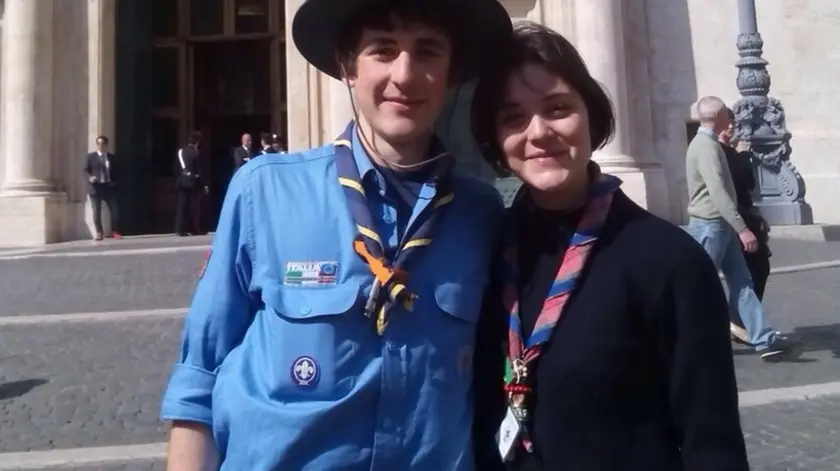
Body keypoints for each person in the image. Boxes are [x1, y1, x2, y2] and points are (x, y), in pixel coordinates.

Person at [160, 1, 511, 470]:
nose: (404, 75)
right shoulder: (264, 190)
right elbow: (199, 376)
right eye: (382, 51)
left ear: (451, 74)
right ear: (348, 67)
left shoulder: (479, 215)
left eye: (427, 52)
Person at [469, 22, 749, 471]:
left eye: (557, 108)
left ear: (591, 117)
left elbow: (711, 444)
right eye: (513, 117)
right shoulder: (485, 251)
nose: (538, 132)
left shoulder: (670, 261)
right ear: (496, 143)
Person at [685, 96, 793, 360]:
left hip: (720, 225)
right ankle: (683, 341)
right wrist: (742, 228)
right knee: (698, 287)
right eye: (728, 115)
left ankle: (763, 339)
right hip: (710, 226)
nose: (730, 120)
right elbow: (718, 191)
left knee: (743, 282)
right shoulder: (706, 147)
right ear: (720, 116)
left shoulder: (708, 144)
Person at [718, 113, 772, 344]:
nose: (732, 128)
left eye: (734, 124)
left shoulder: (729, 151)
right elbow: (738, 180)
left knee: (750, 272)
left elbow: (749, 183)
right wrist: (743, 155)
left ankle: (739, 323)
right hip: (735, 218)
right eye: (728, 124)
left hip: (743, 217)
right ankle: (737, 323)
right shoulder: (719, 152)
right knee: (752, 270)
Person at [83, 135, 121, 240]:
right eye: (98, 143)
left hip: (108, 187)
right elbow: (85, 170)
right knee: (96, 211)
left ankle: (115, 231)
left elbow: (117, 172)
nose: (100, 146)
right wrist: (90, 178)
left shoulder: (112, 158)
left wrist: (115, 183)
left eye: (103, 144)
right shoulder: (90, 157)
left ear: (106, 145)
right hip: (95, 187)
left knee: (114, 210)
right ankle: (99, 232)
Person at [174, 132, 207, 236]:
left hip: (182, 182)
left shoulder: (180, 152)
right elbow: (200, 170)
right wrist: (204, 184)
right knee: (193, 208)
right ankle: (193, 229)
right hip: (193, 182)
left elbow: (176, 168)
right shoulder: (196, 153)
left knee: (182, 206)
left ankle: (180, 229)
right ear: (197, 142)